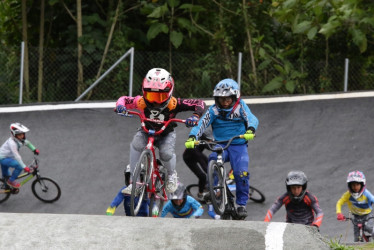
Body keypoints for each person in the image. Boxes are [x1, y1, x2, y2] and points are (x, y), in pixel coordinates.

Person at [115, 68, 205, 194]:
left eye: (160, 96)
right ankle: (133, 181)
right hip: (146, 131)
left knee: (166, 154)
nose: (155, 101)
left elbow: (199, 103)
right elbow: (123, 99)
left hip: (166, 134)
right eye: (151, 96)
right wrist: (120, 106)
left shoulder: (174, 103)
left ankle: (171, 175)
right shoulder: (141, 102)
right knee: (136, 145)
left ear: (169, 92)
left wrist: (195, 116)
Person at [185, 78, 259, 219]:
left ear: (235, 97)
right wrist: (192, 137)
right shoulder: (213, 110)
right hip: (220, 145)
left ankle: (241, 204)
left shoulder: (241, 106)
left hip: (238, 145)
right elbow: (201, 124)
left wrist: (250, 130)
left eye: (228, 99)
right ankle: (211, 190)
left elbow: (252, 118)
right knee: (212, 162)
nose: (224, 102)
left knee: (241, 173)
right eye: (221, 99)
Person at [336, 171, 374, 242]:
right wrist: (339, 213)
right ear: (349, 186)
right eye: (353, 185)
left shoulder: (366, 193)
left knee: (369, 228)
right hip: (356, 217)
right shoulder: (348, 195)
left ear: (362, 185)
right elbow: (339, 202)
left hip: (368, 215)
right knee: (357, 239)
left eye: (357, 185)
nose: (355, 187)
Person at [0, 123, 40, 188]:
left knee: (6, 175)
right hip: (3, 158)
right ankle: (11, 181)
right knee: (19, 166)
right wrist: (24, 167)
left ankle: (6, 186)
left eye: (23, 134)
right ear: (14, 135)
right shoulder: (12, 143)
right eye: (20, 135)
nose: (22, 136)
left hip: (6, 157)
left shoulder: (19, 140)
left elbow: (28, 143)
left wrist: (34, 149)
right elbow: (17, 156)